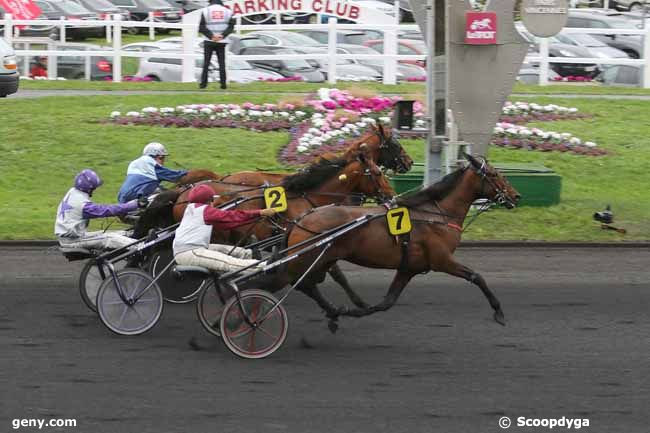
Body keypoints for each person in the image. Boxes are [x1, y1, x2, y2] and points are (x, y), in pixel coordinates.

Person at [173, 184, 277, 273]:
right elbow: (231, 216)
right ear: (210, 200)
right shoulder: (205, 210)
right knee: (227, 262)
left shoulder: (191, 209)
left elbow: (225, 225)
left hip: (188, 249)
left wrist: (254, 219)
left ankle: (249, 254)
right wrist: (259, 212)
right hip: (190, 252)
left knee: (223, 249)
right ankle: (265, 266)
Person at [55, 169, 146, 250]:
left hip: (72, 236)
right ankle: (142, 247)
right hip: (72, 241)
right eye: (94, 188)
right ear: (89, 189)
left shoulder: (73, 192)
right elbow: (105, 210)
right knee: (109, 238)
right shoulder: (82, 205)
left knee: (121, 234)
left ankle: (134, 240)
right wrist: (133, 205)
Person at [117, 142, 188, 203]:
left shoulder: (134, 163)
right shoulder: (151, 163)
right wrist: (188, 173)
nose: (163, 161)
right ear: (157, 156)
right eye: (162, 158)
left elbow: (143, 183)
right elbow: (176, 176)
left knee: (161, 190)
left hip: (122, 197)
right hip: (135, 197)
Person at [198, 0, 235, 90]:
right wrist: (222, 35)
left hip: (209, 40)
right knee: (222, 63)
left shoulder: (205, 11)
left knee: (206, 63)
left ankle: (203, 84)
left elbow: (201, 27)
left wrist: (211, 36)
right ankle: (223, 84)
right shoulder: (228, 11)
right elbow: (231, 26)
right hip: (222, 40)